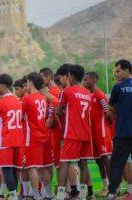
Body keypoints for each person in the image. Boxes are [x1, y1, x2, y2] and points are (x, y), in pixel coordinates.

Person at [55, 65, 93, 200]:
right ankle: (83, 193)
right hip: (86, 133)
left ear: (71, 76)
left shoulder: (67, 91)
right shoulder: (87, 92)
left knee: (64, 162)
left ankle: (60, 194)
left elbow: (58, 112)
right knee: (83, 163)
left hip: (72, 133)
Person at [0, 73, 24, 200]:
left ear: (3, 86)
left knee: (6, 170)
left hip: (5, 140)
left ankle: (12, 195)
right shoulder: (18, 101)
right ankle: (14, 195)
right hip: (18, 139)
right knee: (14, 169)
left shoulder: (1, 103)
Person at [22, 72, 53, 199]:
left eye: (28, 82)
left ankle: (36, 195)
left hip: (32, 137)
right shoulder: (43, 98)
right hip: (44, 135)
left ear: (31, 82)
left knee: (31, 167)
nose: (27, 85)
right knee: (45, 167)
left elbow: (21, 117)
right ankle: (48, 193)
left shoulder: (27, 98)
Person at [83, 72, 112, 197]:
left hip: (101, 133)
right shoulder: (87, 95)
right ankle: (105, 186)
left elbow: (108, 113)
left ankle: (113, 187)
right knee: (98, 160)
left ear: (94, 80)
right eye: (84, 79)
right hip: (92, 134)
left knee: (105, 159)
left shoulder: (100, 95)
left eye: (87, 79)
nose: (84, 81)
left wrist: (106, 128)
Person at [107, 59, 132, 200]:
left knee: (116, 164)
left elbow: (110, 111)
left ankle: (112, 193)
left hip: (123, 133)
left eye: (118, 71)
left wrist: (116, 112)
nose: (115, 74)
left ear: (127, 71)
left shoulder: (118, 87)